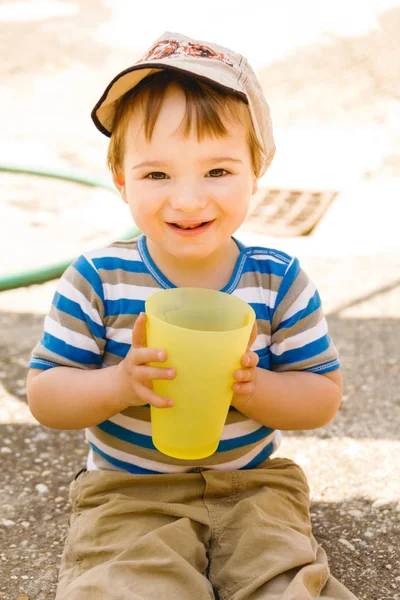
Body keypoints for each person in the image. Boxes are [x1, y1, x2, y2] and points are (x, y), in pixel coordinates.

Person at [26, 32, 358, 600]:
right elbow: (46, 395)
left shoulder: (277, 281)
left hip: (253, 485)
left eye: (218, 171)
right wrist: (119, 382)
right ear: (121, 181)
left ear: (257, 172)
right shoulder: (97, 279)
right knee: (125, 585)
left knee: (289, 582)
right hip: (129, 490)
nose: (187, 199)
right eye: (157, 175)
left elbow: (321, 395)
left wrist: (256, 390)